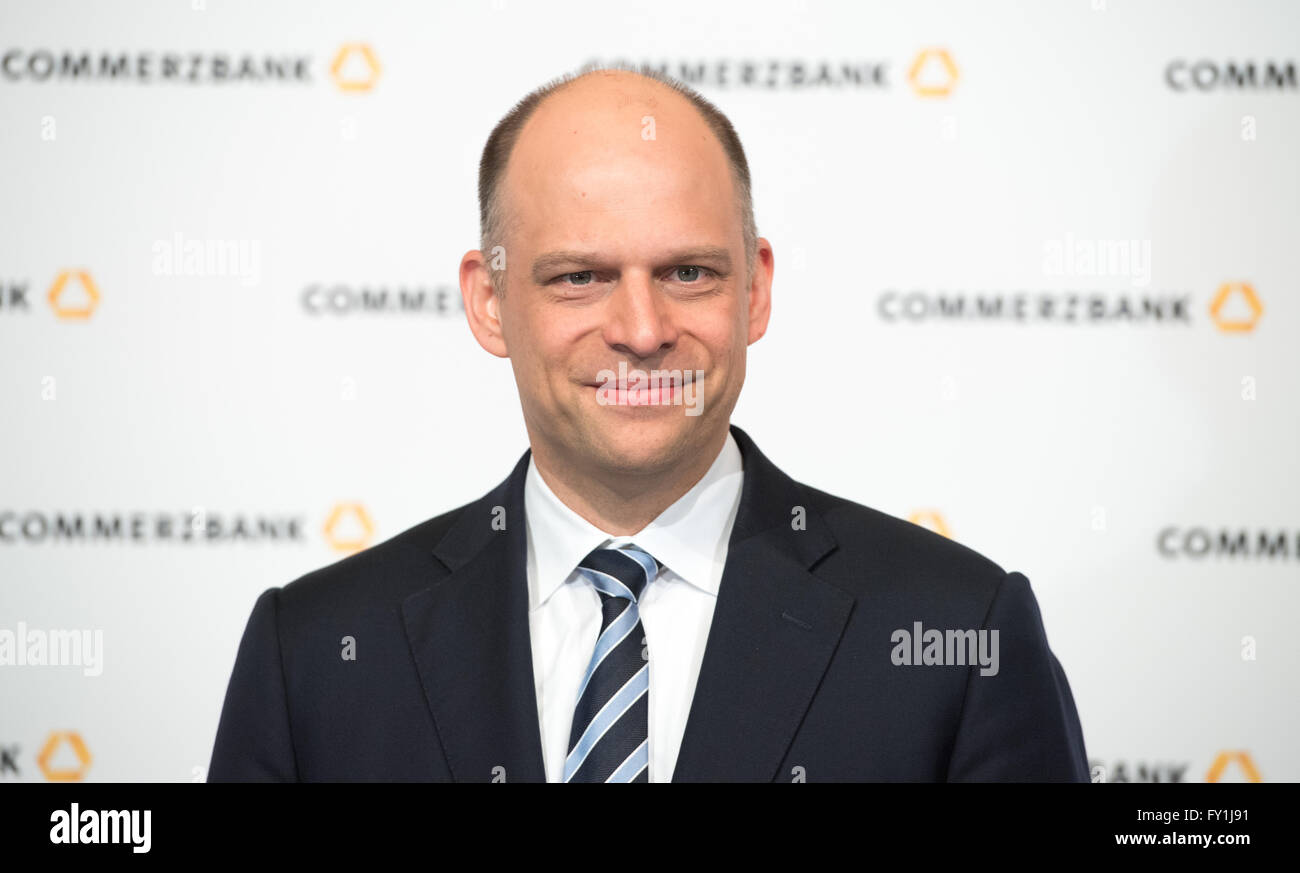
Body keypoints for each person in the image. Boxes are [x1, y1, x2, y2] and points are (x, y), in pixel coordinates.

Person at [208, 65, 1088, 782]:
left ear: (756, 289)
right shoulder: (313, 654)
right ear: (487, 303)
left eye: (690, 273)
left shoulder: (961, 632)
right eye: (579, 277)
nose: (640, 329)